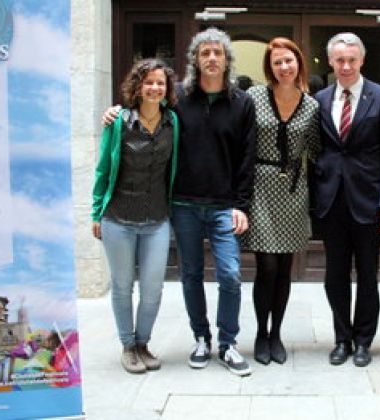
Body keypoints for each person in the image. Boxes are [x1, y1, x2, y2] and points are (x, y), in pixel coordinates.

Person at [102, 28, 257, 377]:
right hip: (183, 204)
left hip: (223, 206)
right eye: (205, 53)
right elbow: (142, 107)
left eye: (218, 52)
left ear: (227, 59)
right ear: (195, 60)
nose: (212, 58)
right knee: (189, 275)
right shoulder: (179, 100)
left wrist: (241, 205)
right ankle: (200, 338)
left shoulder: (242, 103)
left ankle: (227, 342)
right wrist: (113, 111)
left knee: (231, 275)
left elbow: (248, 158)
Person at [312, 32, 380, 367]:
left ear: (362, 60)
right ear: (331, 62)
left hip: (368, 202)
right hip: (331, 202)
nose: (346, 66)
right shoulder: (319, 98)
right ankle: (342, 338)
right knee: (334, 275)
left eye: (351, 59)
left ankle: (363, 342)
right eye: (339, 60)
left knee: (367, 275)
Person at [91, 58, 179, 374]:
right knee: (122, 285)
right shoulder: (118, 121)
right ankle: (128, 345)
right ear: (138, 87)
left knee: (153, 288)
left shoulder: (173, 123)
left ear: (167, 89)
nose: (155, 88)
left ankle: (143, 342)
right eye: (149, 82)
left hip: (156, 219)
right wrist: (96, 211)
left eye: (161, 83)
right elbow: (103, 168)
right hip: (118, 219)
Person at [239, 37, 319, 365]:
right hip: (260, 187)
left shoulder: (312, 105)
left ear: (298, 63)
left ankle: (276, 334)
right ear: (269, 68)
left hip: (293, 192)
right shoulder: (254, 97)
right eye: (277, 62)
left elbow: (315, 149)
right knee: (267, 265)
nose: (284, 67)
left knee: (284, 268)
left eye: (289, 60)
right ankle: (260, 332)